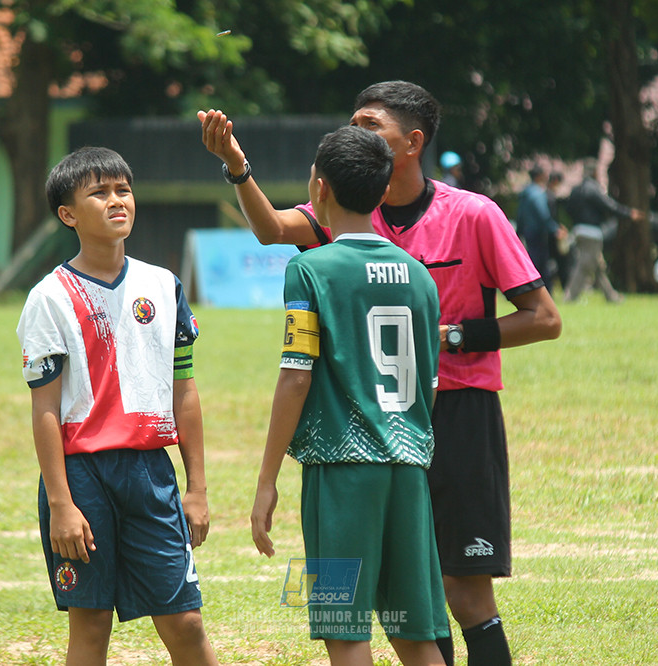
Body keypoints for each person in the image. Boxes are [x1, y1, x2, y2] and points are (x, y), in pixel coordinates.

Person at [199, 80, 562, 666]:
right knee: (410, 612)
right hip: (406, 445)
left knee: (411, 603)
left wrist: (451, 337)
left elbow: (545, 318)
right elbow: (269, 228)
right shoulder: (382, 254)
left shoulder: (470, 214)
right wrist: (239, 169)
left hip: (426, 427)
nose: (356, 131)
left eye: (369, 124)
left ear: (411, 143)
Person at [251, 125, 449, 666]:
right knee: (413, 632)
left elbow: (297, 374)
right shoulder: (420, 276)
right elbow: (430, 382)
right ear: (384, 192)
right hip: (408, 470)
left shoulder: (309, 269)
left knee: (345, 630)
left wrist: (266, 481)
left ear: (318, 189)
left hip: (341, 473)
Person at [16, 146, 219, 665]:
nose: (116, 201)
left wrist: (196, 489)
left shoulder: (164, 285)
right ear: (68, 214)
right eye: (98, 193)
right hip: (82, 476)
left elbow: (185, 390)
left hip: (151, 471)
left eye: (123, 190)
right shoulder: (50, 297)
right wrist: (61, 504)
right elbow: (45, 409)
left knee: (186, 622)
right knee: (90, 626)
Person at [563, 157, 643, 303]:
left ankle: (611, 296)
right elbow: (610, 206)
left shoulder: (575, 190)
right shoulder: (594, 189)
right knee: (584, 265)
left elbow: (568, 209)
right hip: (592, 233)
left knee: (598, 267)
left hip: (579, 231)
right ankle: (569, 297)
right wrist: (629, 213)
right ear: (594, 172)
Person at [516, 164, 566, 293]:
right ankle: (544, 293)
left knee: (532, 262)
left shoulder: (524, 193)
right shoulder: (538, 193)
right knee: (541, 265)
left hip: (527, 233)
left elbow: (520, 215)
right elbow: (543, 215)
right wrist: (555, 229)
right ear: (539, 176)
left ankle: (531, 290)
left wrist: (518, 232)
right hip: (538, 233)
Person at [546, 171, 574, 292]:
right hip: (552, 235)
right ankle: (565, 288)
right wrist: (556, 229)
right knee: (563, 262)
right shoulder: (549, 197)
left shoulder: (546, 195)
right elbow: (548, 217)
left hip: (550, 233)